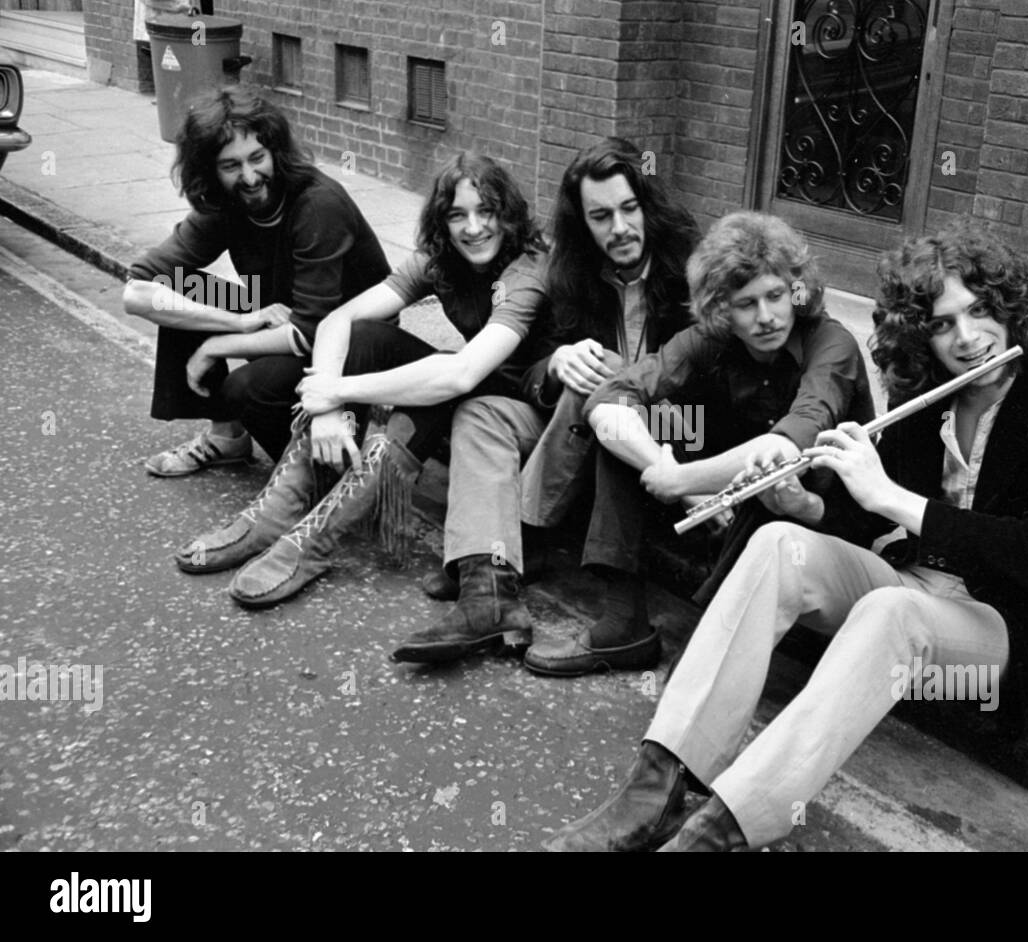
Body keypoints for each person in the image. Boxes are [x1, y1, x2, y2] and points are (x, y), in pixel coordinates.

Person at [546, 225, 1028, 851]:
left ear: (1010, 307)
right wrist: (806, 504)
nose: (967, 339)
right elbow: (867, 525)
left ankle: (728, 827)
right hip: (920, 583)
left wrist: (894, 498)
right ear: (920, 332)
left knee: (891, 611)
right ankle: (656, 786)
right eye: (941, 323)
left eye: (981, 312)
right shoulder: (928, 394)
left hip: (1014, 625)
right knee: (778, 545)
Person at [174, 153, 550, 617]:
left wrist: (342, 391)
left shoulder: (528, 271)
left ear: (507, 214)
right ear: (442, 221)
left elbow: (462, 374)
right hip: (478, 386)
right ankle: (279, 512)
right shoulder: (441, 260)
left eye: (486, 211)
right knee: (369, 337)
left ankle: (317, 541)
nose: (472, 228)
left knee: (439, 381)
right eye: (457, 215)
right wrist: (329, 403)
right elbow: (340, 318)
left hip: (532, 416)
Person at [388, 136, 700, 666]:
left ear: (649, 206)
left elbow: (711, 368)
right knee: (484, 411)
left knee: (606, 400)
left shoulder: (691, 269)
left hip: (676, 430)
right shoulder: (573, 274)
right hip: (578, 426)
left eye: (630, 209)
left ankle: (571, 581)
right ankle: (488, 589)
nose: (619, 228)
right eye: (601, 216)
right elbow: (531, 369)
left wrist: (627, 382)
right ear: (583, 222)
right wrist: (555, 365)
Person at [520, 211, 874, 678]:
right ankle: (624, 621)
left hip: (817, 508)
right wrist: (683, 485)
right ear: (723, 307)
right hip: (723, 486)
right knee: (632, 424)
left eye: (776, 296)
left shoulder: (832, 343)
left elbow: (786, 450)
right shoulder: (711, 338)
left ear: (797, 291)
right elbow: (609, 399)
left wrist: (680, 477)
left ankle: (713, 650)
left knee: (764, 476)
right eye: (747, 304)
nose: (766, 317)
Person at [123, 86, 390, 475]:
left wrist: (217, 345)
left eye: (257, 158)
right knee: (181, 286)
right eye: (231, 166)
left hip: (353, 340)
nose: (249, 177)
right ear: (211, 170)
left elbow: (310, 329)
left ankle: (313, 472)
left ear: (275, 153)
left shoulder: (317, 205)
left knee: (245, 387)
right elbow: (137, 291)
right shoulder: (223, 205)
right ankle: (227, 437)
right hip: (280, 318)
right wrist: (237, 322)